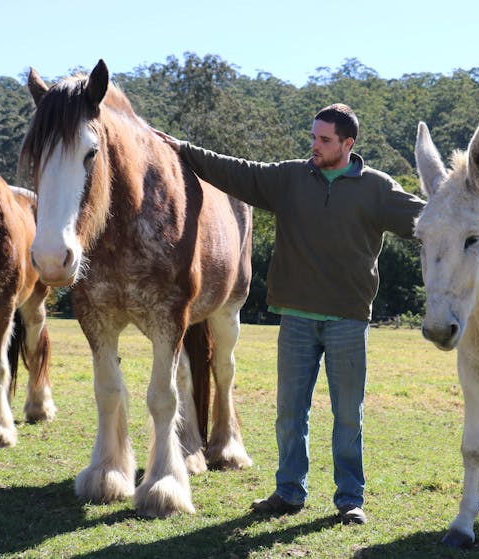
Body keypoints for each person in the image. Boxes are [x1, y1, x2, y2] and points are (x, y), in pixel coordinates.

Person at [153, 104, 424, 524]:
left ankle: (350, 499)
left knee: (348, 416)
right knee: (289, 414)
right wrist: (183, 149)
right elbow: (235, 171)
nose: (314, 146)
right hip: (296, 318)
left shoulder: (377, 189)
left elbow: (430, 220)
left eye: (324, 140)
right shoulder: (289, 178)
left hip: (349, 321)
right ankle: (289, 492)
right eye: (313, 137)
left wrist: (473, 214)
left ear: (348, 144)